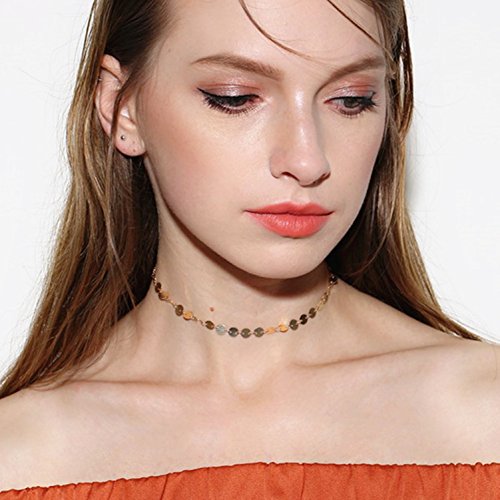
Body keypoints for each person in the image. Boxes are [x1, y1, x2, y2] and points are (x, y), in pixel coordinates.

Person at [0, 0, 499, 497]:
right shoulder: (21, 457)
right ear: (120, 108)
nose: (307, 160)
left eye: (351, 100)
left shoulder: (483, 412)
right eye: (235, 98)